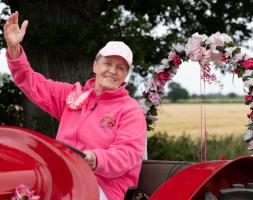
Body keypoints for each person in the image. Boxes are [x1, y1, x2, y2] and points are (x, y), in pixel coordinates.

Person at [3, 11, 147, 200]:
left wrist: (95, 159)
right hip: (63, 178)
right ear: (95, 66)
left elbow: (127, 155)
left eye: (120, 68)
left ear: (125, 75)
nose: (112, 71)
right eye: (108, 63)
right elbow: (32, 83)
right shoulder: (71, 94)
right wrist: (14, 49)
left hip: (103, 187)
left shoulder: (130, 110)